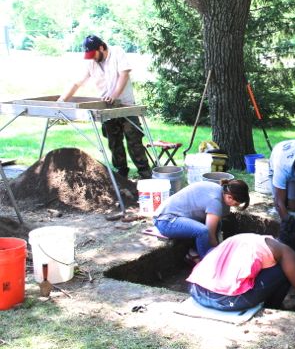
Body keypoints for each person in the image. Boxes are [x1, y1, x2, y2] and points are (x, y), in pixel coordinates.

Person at [58, 35, 151, 179]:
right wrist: (62, 100)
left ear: (101, 47)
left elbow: (124, 75)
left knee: (134, 141)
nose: (92, 58)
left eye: (93, 54)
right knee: (114, 143)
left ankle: (146, 175)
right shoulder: (91, 63)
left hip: (126, 105)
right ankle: (121, 176)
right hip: (106, 108)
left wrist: (114, 95)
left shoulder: (117, 52)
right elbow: (77, 83)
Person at [187, 217, 295, 312]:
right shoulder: (285, 251)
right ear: (294, 247)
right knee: (284, 271)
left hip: (196, 290)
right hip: (225, 301)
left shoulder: (252, 239)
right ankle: (272, 308)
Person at [153, 180, 250, 260]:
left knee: (217, 224)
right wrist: (219, 253)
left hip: (175, 215)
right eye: (236, 204)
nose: (235, 206)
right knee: (202, 231)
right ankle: (207, 263)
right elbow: (210, 235)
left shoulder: (218, 189)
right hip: (166, 221)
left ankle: (194, 253)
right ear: (229, 197)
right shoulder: (215, 202)